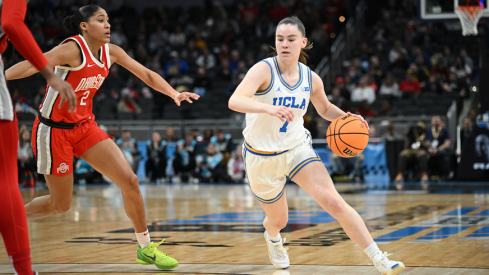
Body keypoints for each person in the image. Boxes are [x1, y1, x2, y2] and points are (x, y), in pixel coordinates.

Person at [5, 5, 199, 270]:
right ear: (84, 26)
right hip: (53, 131)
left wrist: (174, 93)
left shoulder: (112, 52)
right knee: (59, 205)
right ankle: (6, 219)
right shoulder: (72, 49)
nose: (108, 25)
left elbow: (146, 74)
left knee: (130, 181)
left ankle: (145, 248)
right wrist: (2, 78)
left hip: (85, 126)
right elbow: (32, 63)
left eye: (108, 20)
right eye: (100, 20)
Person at [228, 16, 405, 274]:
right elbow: (235, 100)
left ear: (303, 42)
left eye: (290, 39)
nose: (285, 44)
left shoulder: (311, 78)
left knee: (334, 202)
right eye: (280, 39)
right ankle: (273, 236)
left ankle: (380, 259)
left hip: (296, 148)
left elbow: (324, 109)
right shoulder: (263, 70)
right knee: (279, 220)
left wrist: (347, 117)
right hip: (261, 156)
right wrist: (268, 107)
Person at [0, 0, 76, 274]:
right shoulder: (68, 49)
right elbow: (11, 23)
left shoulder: (110, 51)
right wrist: (49, 75)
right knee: (6, 186)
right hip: (45, 125)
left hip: (78, 127)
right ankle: (24, 270)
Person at [394, 121, 430, 190]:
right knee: (403, 154)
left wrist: (417, 137)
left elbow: (426, 146)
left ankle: (424, 174)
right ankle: (400, 174)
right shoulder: (411, 135)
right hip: (410, 150)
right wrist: (408, 136)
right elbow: (406, 147)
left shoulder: (425, 135)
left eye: (420, 128)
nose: (418, 130)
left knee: (422, 154)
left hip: (420, 150)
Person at [425, 115, 451, 180]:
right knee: (423, 154)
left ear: (441, 121)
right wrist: (429, 148)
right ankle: (427, 174)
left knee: (442, 154)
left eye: (437, 120)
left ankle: (442, 174)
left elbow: (447, 143)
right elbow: (427, 142)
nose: (436, 122)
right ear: (431, 122)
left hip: (440, 149)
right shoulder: (429, 131)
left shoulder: (444, 130)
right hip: (431, 149)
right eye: (434, 120)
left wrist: (438, 149)